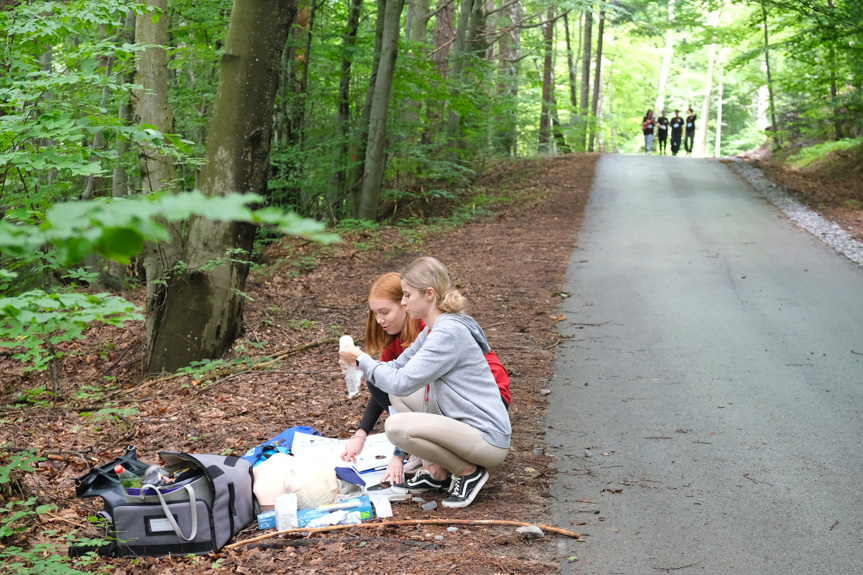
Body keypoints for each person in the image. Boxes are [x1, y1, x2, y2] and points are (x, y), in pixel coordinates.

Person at [339, 258, 511, 508]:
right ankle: (438, 474)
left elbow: (402, 381)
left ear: (429, 294)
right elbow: (397, 368)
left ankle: (468, 472)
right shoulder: (432, 330)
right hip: (465, 423)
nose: (404, 301)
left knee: (396, 426)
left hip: (487, 438)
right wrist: (359, 364)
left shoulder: (447, 333)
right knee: (397, 398)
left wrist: (363, 359)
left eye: (407, 295)